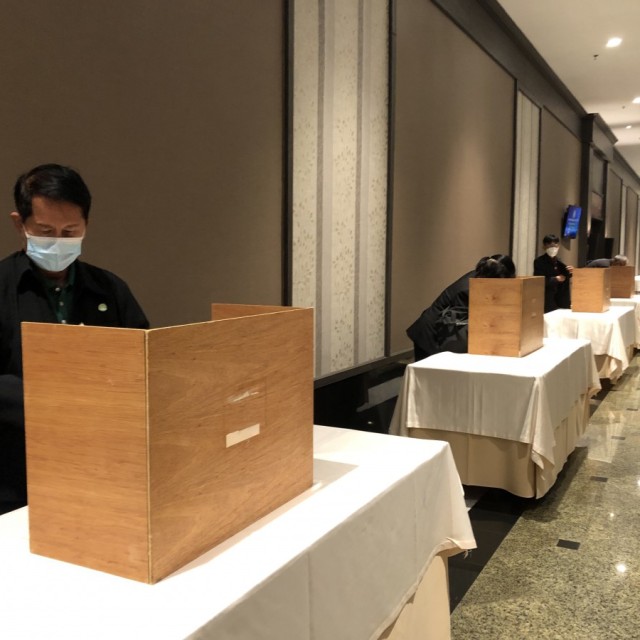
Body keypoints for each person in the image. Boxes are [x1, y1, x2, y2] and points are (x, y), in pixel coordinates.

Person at [0, 163, 149, 515]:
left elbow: (145, 361)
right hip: (14, 475)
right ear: (20, 224)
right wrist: (55, 398)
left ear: (86, 226)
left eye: (70, 232)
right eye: (45, 231)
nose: (58, 241)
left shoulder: (110, 289)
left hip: (99, 466)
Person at [407, 254, 516, 361]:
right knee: (428, 370)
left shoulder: (477, 276)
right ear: (496, 277)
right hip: (429, 334)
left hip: (436, 330)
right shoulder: (469, 289)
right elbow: (457, 323)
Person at [533, 234, 573, 313]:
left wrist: (571, 271)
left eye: (555, 246)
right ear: (544, 247)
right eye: (550, 246)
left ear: (558, 247)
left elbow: (565, 276)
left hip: (560, 298)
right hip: (547, 299)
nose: (553, 248)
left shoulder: (559, 261)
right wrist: (556, 279)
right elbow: (539, 280)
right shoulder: (539, 261)